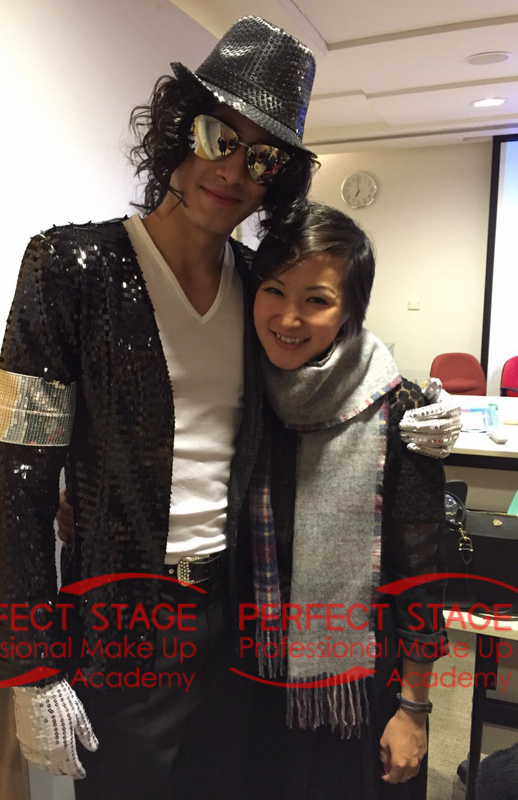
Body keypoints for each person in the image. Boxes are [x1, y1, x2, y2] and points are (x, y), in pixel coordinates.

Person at [0, 16, 459, 800]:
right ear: (178, 129)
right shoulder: (71, 267)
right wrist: (32, 667)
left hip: (244, 615)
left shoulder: (257, 284)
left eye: (264, 158)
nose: (235, 169)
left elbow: (335, 366)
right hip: (122, 624)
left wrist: (417, 411)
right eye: (218, 136)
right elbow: (20, 476)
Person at [236, 202, 449, 800]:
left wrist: (414, 707)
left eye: (317, 300)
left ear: (351, 308)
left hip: (360, 683)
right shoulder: (242, 394)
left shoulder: (400, 409)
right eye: (274, 290)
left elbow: (420, 574)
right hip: (251, 674)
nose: (288, 318)